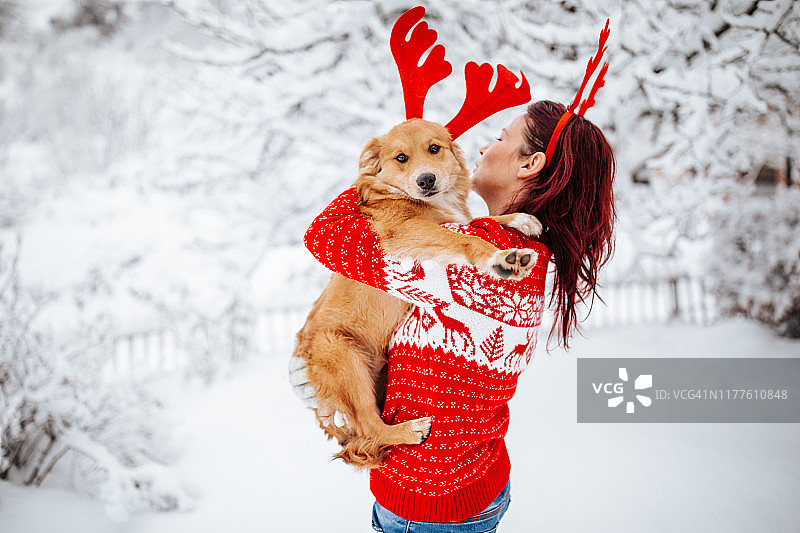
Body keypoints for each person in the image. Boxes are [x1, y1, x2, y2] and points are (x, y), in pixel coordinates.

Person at [299, 99, 616, 532]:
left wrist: (376, 173)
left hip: (429, 509)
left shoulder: (492, 263)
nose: (483, 146)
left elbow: (324, 235)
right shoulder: (508, 249)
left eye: (501, 138)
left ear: (531, 164)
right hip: (468, 487)